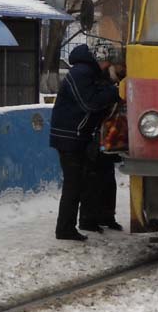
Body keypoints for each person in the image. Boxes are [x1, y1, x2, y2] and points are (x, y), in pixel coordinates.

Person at [49, 42, 120, 241]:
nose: (108, 66)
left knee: (85, 180)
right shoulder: (81, 73)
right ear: (99, 59)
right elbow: (89, 102)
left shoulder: (91, 73)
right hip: (69, 136)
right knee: (74, 184)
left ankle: (84, 221)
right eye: (107, 62)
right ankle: (65, 229)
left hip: (78, 135)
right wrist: (116, 92)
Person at [80, 46, 126, 233]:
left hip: (109, 136)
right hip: (93, 134)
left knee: (107, 178)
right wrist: (115, 93)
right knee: (92, 178)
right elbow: (94, 102)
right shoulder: (93, 78)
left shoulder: (109, 78)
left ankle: (107, 216)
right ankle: (88, 219)